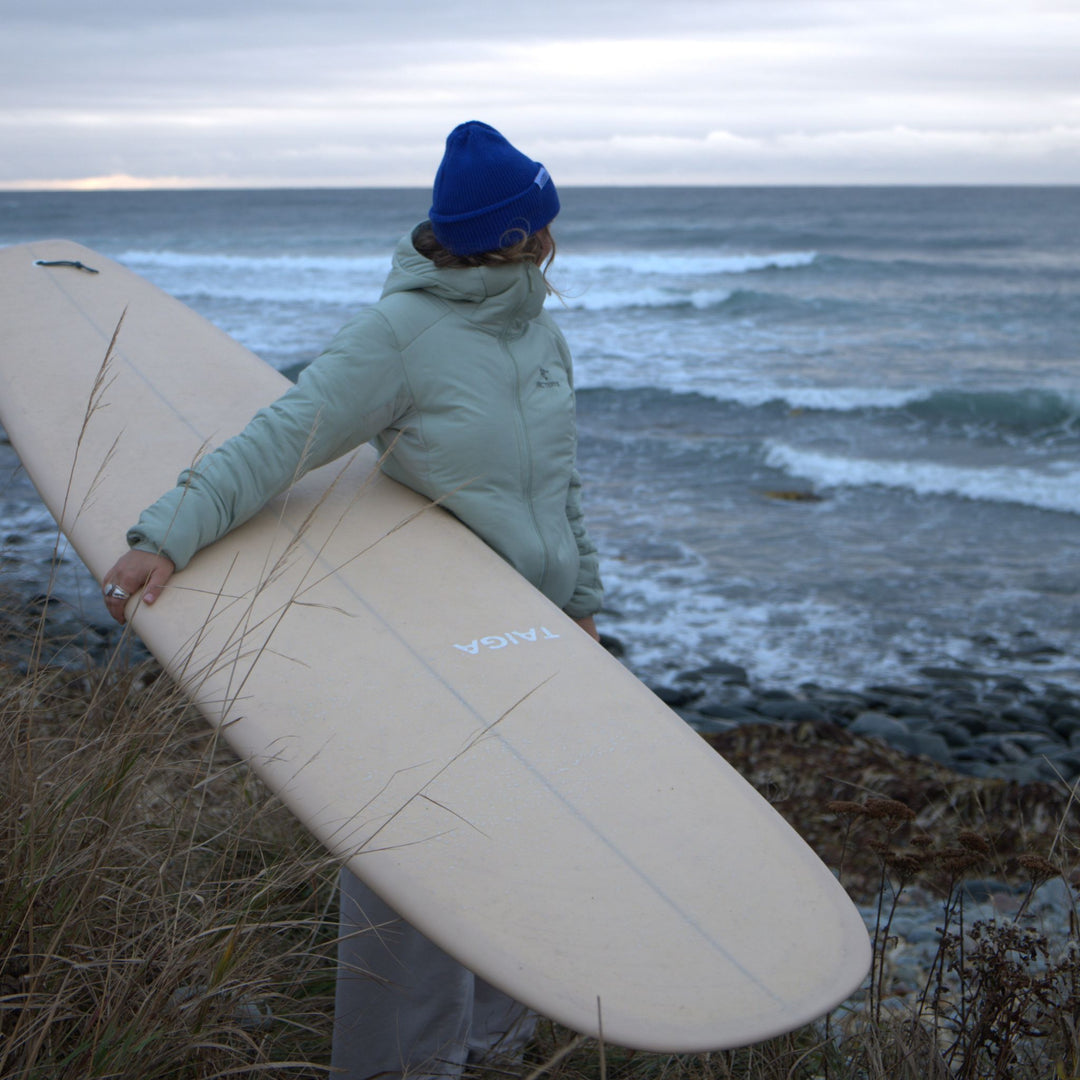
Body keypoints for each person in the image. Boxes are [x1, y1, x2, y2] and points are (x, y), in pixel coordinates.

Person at [102, 120, 604, 1080]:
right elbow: (287, 433)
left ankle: (496, 1046)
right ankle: (398, 1067)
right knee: (418, 854)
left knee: (519, 839)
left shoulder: (539, 330)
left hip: (530, 633)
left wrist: (579, 601)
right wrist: (168, 531)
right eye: (542, 221)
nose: (553, 237)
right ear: (512, 234)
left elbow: (560, 485)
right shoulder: (401, 336)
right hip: (436, 631)